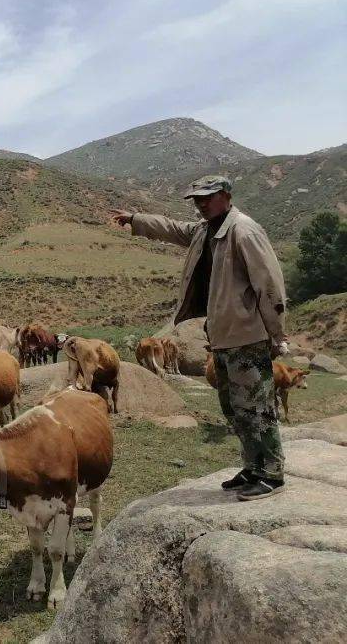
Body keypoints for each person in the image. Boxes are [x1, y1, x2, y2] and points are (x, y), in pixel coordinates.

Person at [110, 175, 289, 501]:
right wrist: (136, 220)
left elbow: (271, 286)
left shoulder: (244, 232)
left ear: (225, 195)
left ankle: (271, 473)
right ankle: (253, 466)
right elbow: (173, 229)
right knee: (234, 408)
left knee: (256, 407)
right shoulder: (207, 231)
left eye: (207, 197)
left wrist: (277, 335)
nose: (201, 203)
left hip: (247, 336)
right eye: (196, 199)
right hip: (221, 336)